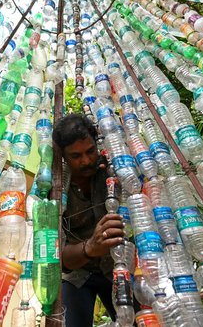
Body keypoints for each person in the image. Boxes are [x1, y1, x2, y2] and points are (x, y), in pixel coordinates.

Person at [53, 113, 125, 326]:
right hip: (78, 273)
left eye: (90, 151)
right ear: (63, 157)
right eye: (76, 156)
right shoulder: (55, 189)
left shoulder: (113, 169)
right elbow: (60, 260)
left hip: (118, 265)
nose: (86, 161)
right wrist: (90, 247)